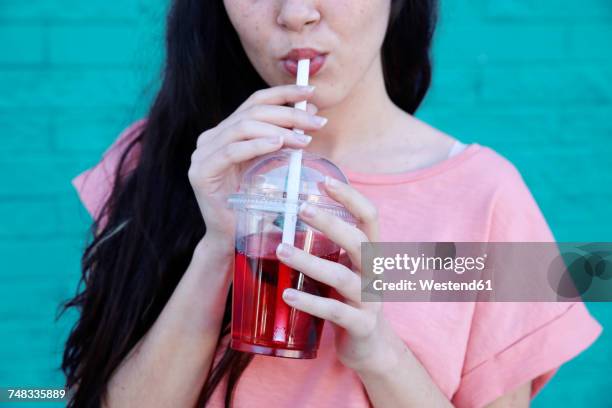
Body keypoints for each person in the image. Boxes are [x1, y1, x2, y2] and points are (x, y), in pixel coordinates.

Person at [60, 0, 602, 407]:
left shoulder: (488, 198)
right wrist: (220, 247)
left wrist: (378, 353)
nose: (295, 14)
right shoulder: (164, 163)